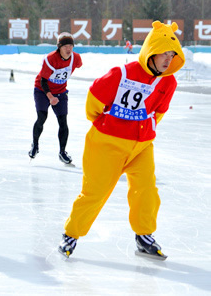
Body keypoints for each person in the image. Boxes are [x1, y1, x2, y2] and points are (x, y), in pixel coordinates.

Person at [58, 21, 185, 259]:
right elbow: (93, 104)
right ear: (150, 52)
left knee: (146, 190)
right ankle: (71, 234)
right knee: (95, 192)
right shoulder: (121, 74)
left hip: (142, 145)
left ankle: (144, 236)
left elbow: (160, 111)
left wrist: (147, 129)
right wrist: (108, 124)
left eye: (172, 55)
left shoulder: (169, 82)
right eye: (163, 54)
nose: (168, 60)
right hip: (107, 143)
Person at [28, 32, 82, 164]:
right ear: (59, 47)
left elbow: (77, 65)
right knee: (42, 117)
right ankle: (35, 145)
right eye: (65, 46)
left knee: (63, 121)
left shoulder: (76, 58)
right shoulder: (50, 59)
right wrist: (50, 97)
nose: (68, 49)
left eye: (71, 46)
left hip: (61, 92)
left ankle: (62, 152)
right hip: (42, 90)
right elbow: (43, 81)